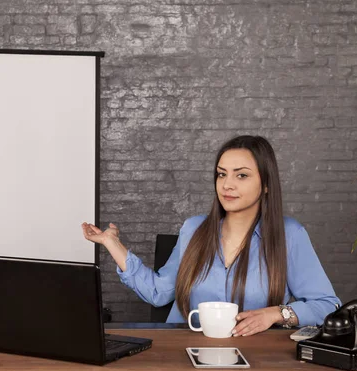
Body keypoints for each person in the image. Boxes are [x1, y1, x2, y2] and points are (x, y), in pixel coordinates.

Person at [81, 135, 340, 336]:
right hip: (185, 356)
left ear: (267, 184)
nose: (227, 185)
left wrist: (277, 313)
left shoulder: (289, 235)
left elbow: (327, 305)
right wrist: (111, 243)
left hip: (257, 358)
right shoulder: (194, 229)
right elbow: (158, 293)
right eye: (221, 174)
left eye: (242, 175)